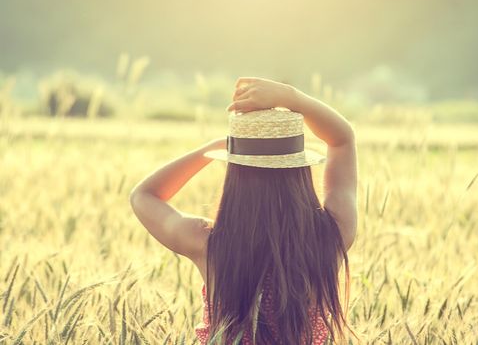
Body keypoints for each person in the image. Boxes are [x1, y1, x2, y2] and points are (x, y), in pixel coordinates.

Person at [129, 77, 358, 344]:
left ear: (234, 173)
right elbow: (343, 139)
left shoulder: (209, 244)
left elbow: (143, 196)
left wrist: (212, 148)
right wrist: (291, 96)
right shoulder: (331, 236)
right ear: (300, 170)